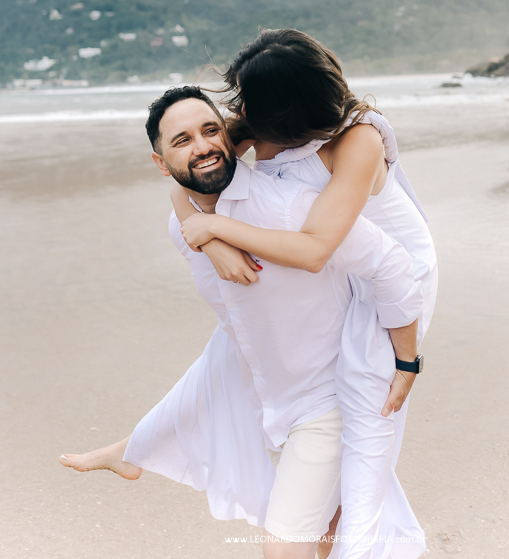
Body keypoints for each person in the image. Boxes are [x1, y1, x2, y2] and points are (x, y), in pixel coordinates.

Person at [60, 88, 424, 559]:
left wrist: (407, 361)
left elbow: (393, 266)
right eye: (183, 140)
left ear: (231, 140)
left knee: (283, 545)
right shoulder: (183, 226)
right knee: (327, 527)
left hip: (326, 399)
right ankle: (135, 448)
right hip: (270, 400)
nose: (203, 146)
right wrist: (209, 237)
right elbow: (233, 325)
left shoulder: (291, 207)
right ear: (160, 162)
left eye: (211, 131)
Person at [172, 30, 438, 557]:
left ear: (288, 115)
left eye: (245, 100)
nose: (237, 110)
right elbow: (186, 173)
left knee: (364, 421)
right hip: (338, 267)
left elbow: (316, 248)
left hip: (392, 275)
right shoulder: (259, 121)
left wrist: (407, 361)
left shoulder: (357, 138)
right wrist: (207, 241)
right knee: (280, 387)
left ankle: (367, 543)